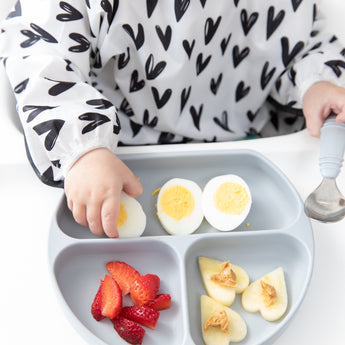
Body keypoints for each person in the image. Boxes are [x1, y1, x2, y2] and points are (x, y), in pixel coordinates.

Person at [1, 0, 345, 238]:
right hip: (117, 146)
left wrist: (316, 80)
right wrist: (83, 147)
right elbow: (39, 53)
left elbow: (294, 36)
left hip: (241, 131)